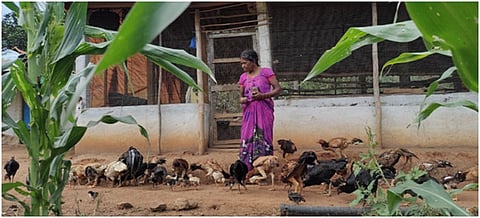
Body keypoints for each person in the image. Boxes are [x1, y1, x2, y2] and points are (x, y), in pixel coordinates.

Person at [238, 49, 282, 171]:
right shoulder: (243, 77)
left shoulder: (266, 72)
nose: (243, 66)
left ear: (253, 61)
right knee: (247, 136)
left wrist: (263, 96)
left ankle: (264, 168)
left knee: (264, 136)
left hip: (264, 110)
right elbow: (241, 96)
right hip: (249, 112)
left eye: (245, 63)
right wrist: (243, 100)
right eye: (241, 63)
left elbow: (278, 89)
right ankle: (246, 169)